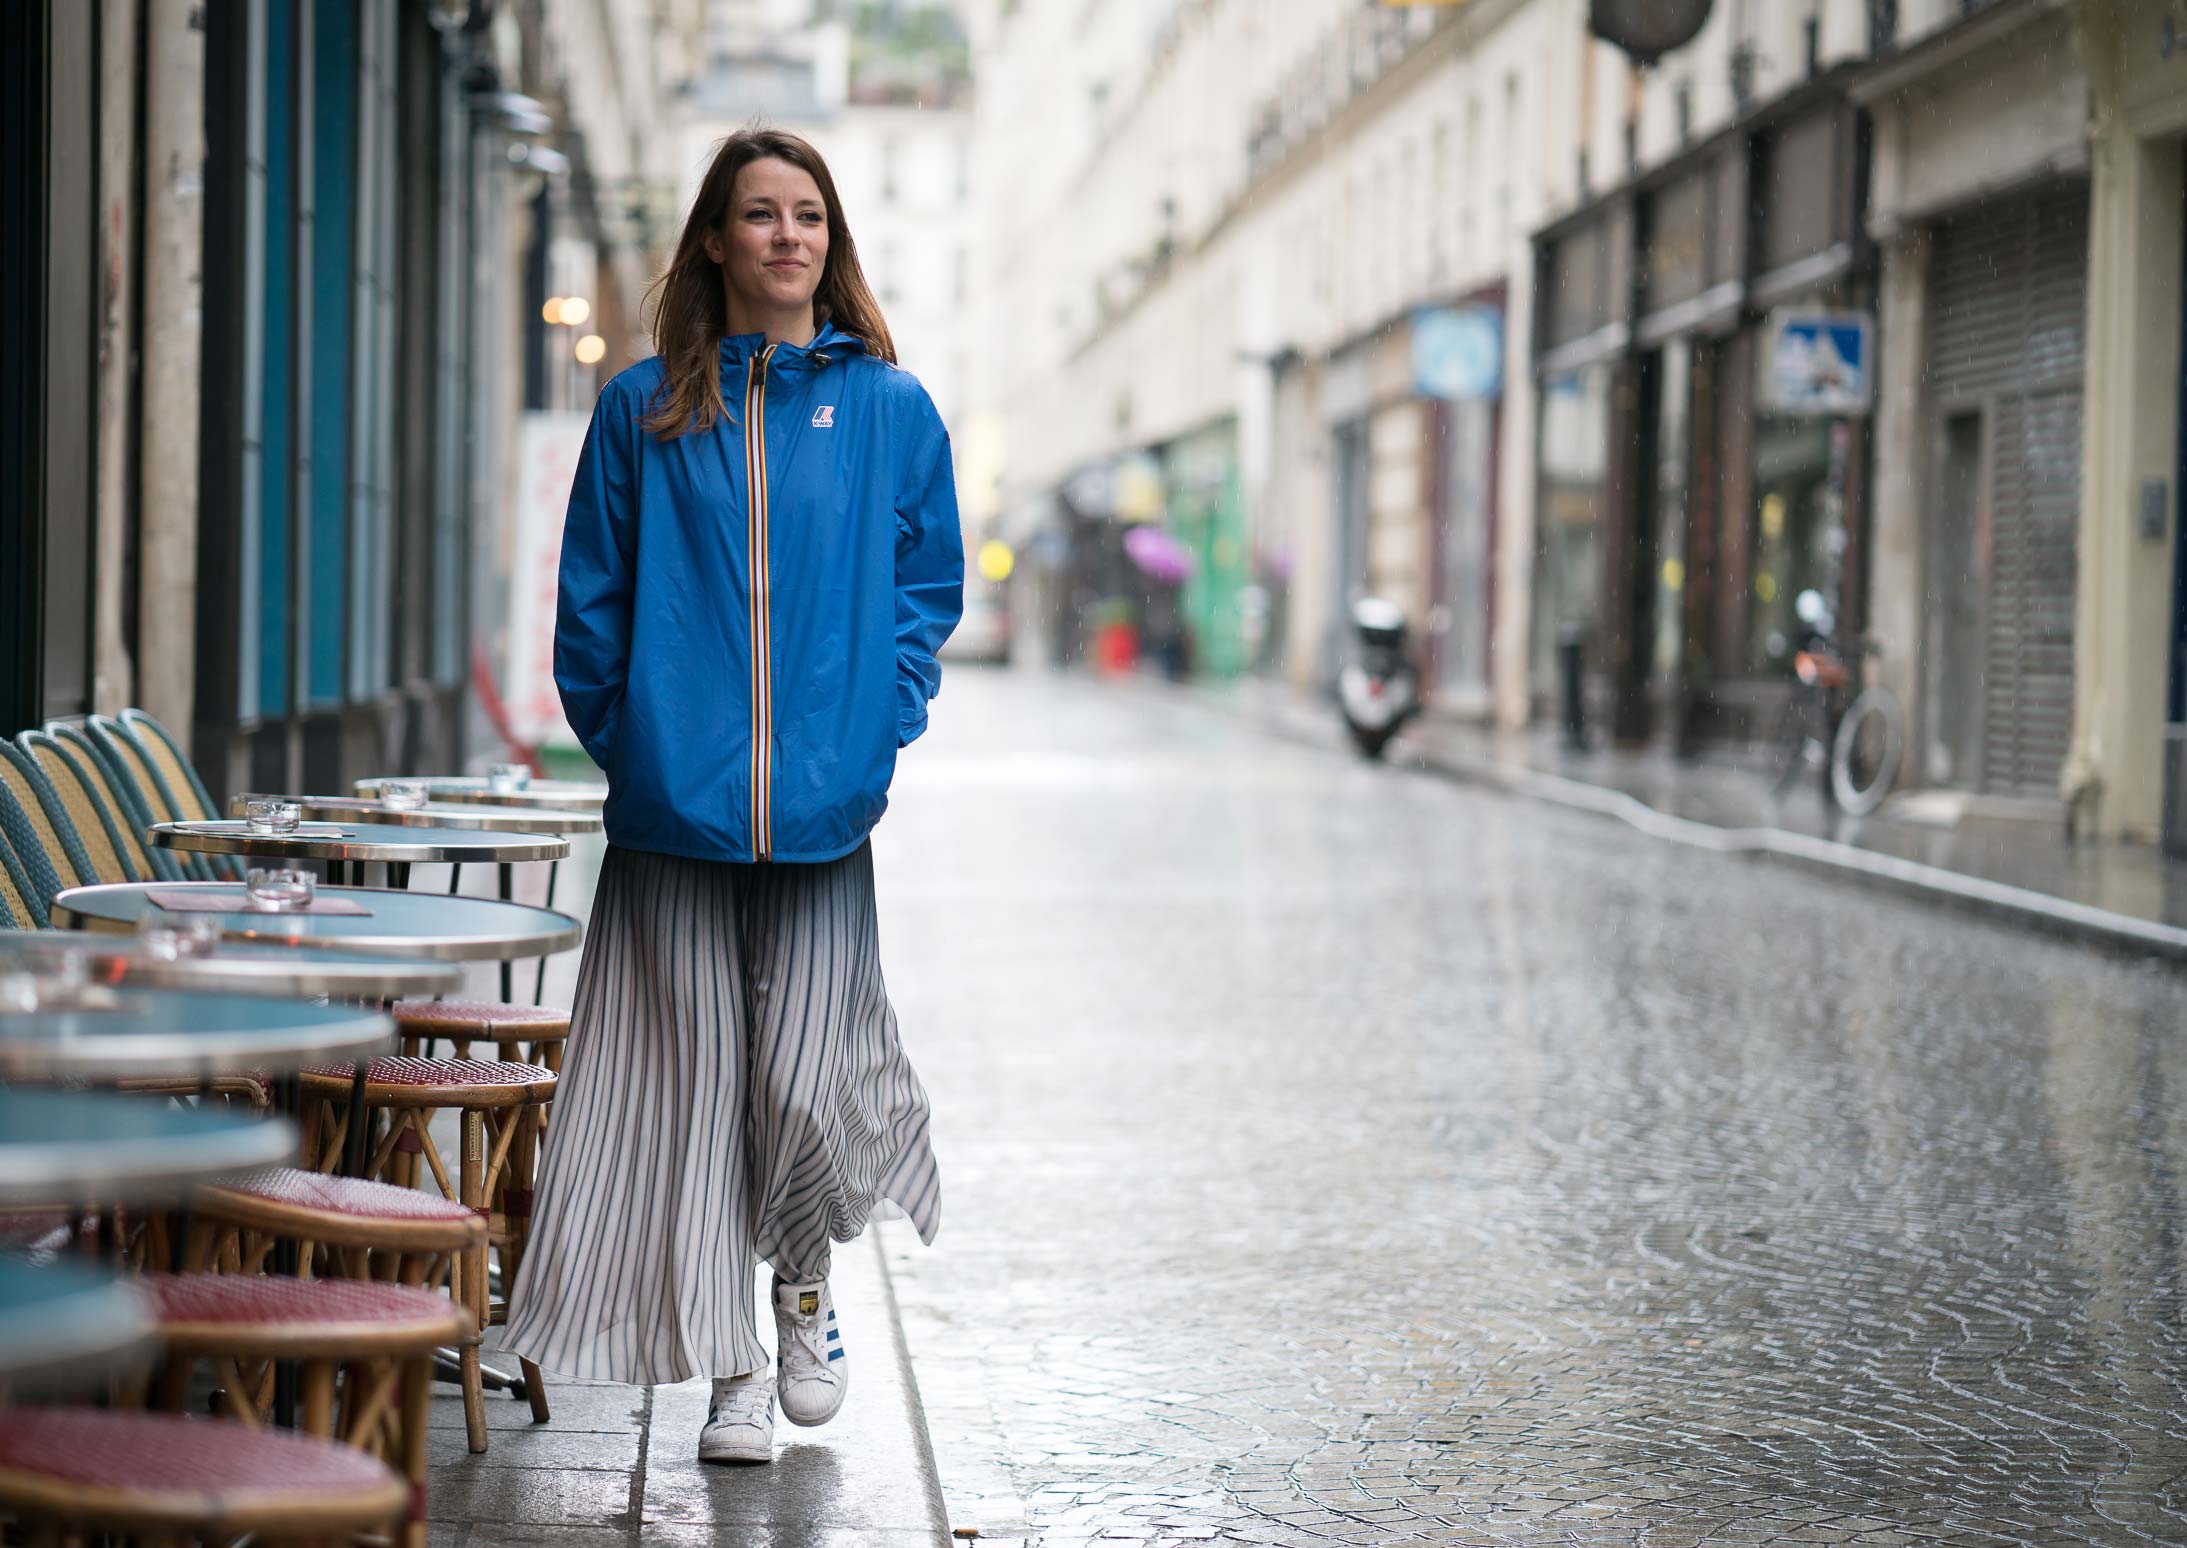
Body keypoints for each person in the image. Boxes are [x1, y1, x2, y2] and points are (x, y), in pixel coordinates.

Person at [502, 127, 963, 1466]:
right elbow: (590, 607)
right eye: (758, 215)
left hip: (824, 823)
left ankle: (803, 1274)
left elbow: (924, 596)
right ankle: (732, 1375)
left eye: (806, 215)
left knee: (805, 1085)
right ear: (715, 238)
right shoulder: (644, 408)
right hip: (671, 824)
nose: (785, 237)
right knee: (695, 1098)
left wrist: (876, 728)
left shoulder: (889, 410)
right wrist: (637, 744)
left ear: (833, 240)